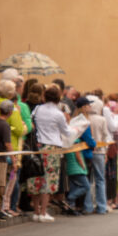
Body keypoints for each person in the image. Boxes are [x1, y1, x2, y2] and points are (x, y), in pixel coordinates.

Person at [30, 85, 77, 222]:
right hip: (52, 147)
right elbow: (67, 132)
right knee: (48, 179)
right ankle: (44, 212)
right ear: (58, 98)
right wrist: (74, 129)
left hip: (38, 145)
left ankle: (36, 211)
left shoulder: (37, 109)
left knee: (36, 179)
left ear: (45, 96)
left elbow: (33, 122)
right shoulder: (58, 114)